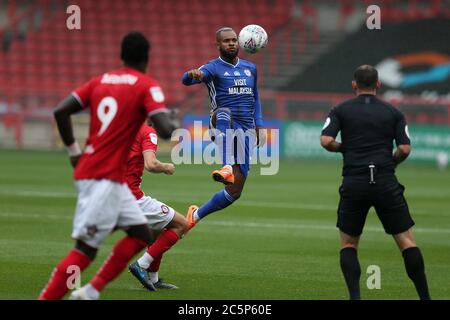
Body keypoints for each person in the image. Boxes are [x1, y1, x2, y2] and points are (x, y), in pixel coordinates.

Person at [38, 32, 177, 300]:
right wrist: (172, 123)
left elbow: (60, 111)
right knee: (85, 249)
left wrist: (73, 151)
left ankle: (90, 291)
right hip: (102, 177)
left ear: (121, 56)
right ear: (147, 58)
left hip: (103, 175)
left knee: (141, 233)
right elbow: (164, 128)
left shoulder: (99, 81)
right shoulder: (147, 85)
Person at [320, 65, 431, 300]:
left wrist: (345, 150)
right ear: (378, 84)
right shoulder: (393, 112)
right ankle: (425, 297)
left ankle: (355, 298)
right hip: (384, 180)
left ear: (354, 84)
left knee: (349, 244)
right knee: (406, 241)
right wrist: (390, 163)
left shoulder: (340, 110)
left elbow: (326, 140)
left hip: (354, 181)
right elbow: (404, 148)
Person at [181, 27, 265, 228]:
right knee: (223, 111)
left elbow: (256, 97)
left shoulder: (250, 68)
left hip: (245, 130)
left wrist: (259, 125)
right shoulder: (213, 67)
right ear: (217, 45)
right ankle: (226, 165)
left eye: (234, 40)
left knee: (235, 191)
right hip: (220, 123)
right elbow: (186, 80)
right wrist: (192, 74)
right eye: (226, 41)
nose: (231, 43)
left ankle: (196, 215)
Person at [126, 123, 189, 291]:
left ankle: (153, 279)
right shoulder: (146, 130)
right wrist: (166, 167)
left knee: (158, 229)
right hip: (129, 198)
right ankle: (141, 264)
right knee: (182, 224)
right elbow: (151, 164)